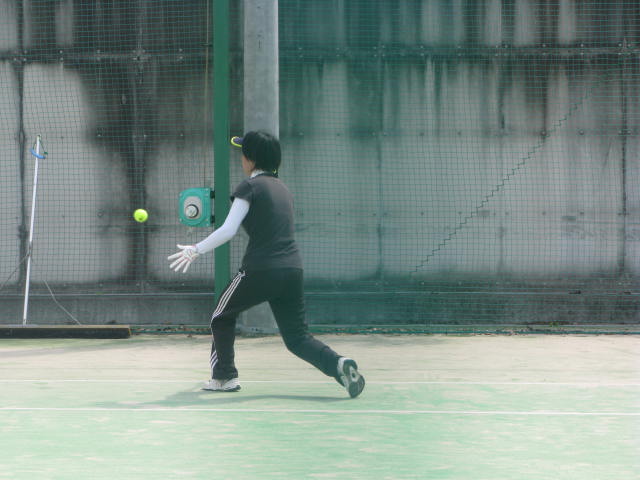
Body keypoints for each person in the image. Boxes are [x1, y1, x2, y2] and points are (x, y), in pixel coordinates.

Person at [168, 131, 365, 398]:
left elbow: (228, 230)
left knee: (221, 316)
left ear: (250, 159)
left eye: (243, 154)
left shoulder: (249, 187)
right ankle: (338, 364)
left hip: (261, 268)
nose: (241, 159)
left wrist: (196, 249)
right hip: (292, 270)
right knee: (297, 338)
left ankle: (224, 377)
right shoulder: (283, 189)